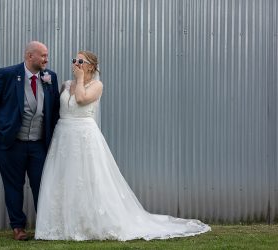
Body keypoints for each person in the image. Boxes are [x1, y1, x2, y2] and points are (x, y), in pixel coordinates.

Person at [35, 51, 210, 241]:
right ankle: (61, 224)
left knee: (86, 178)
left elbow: (81, 99)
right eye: (74, 60)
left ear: (91, 66)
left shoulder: (97, 85)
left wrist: (79, 78)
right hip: (63, 136)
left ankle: (88, 223)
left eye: (80, 61)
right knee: (63, 178)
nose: (76, 64)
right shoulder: (65, 85)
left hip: (84, 136)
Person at [0, 41, 60, 240]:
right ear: (29, 56)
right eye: (43, 55)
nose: (46, 59)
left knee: (41, 185)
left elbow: (54, 110)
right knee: (13, 186)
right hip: (10, 144)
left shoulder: (50, 77)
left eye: (47, 55)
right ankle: (18, 228)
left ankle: (45, 226)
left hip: (39, 144)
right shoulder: (7, 74)